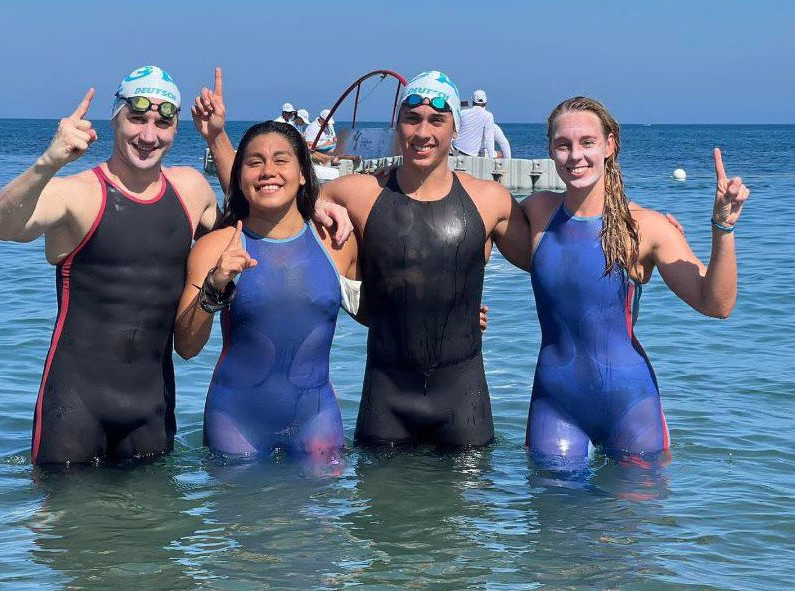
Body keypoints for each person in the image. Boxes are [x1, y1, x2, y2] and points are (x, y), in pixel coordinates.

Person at [0, 67, 350, 466]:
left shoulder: (191, 190)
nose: (148, 134)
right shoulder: (77, 194)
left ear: (176, 129)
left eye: (163, 122)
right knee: (67, 524)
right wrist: (49, 161)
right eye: (136, 119)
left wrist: (308, 199)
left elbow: (250, 216)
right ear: (115, 119)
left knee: (156, 525)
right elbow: (0, 227)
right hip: (74, 406)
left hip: (153, 408)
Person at [522, 96, 749, 464]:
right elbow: (472, 238)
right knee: (553, 519)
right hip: (555, 405)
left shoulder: (645, 227)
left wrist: (722, 226)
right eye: (563, 144)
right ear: (550, 150)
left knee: (632, 521)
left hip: (630, 406)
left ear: (610, 145)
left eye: (587, 142)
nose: (575, 156)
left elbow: (717, 304)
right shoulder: (536, 213)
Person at [316, 71, 529, 449]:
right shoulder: (360, 193)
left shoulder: (489, 200)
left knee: (469, 508)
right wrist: (320, 206)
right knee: (378, 508)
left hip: (463, 399)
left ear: (455, 130)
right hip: (385, 397)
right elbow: (286, 200)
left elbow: (550, 256)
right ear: (398, 126)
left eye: (437, 120)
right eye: (412, 119)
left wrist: (621, 214)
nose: (422, 132)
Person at [174, 120, 359, 463]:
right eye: (254, 162)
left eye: (280, 160)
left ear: (304, 173)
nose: (267, 171)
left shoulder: (335, 242)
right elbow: (185, 346)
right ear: (240, 176)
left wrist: (455, 315)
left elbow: (380, 314)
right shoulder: (216, 246)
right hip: (235, 421)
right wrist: (215, 285)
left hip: (317, 420)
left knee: (323, 513)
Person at [452, 89, 511, 159]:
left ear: (472, 102)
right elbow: (492, 140)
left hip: (454, 152)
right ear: (486, 103)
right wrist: (492, 156)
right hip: (470, 156)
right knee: (499, 154)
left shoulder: (462, 113)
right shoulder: (488, 116)